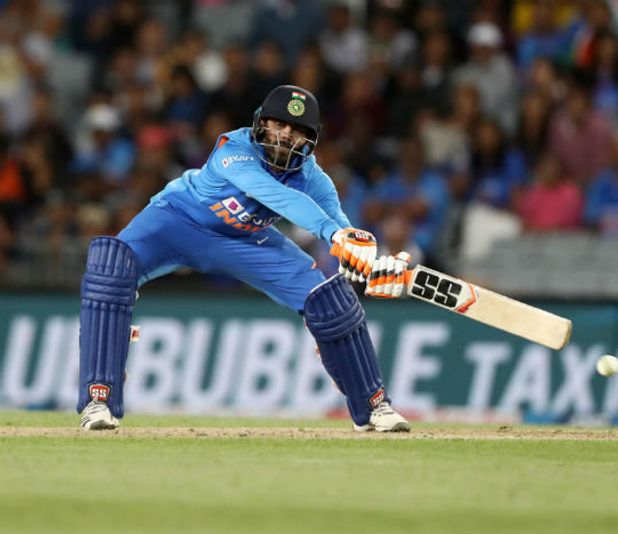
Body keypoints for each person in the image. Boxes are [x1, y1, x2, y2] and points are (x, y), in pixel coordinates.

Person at [77, 85, 412, 432]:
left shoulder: (314, 178)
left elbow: (344, 232)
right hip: (176, 219)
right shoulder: (232, 149)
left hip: (243, 239)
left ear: (309, 141)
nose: (285, 135)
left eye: (297, 130)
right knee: (110, 267)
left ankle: (374, 406)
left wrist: (369, 259)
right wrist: (334, 233)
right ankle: (97, 400)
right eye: (278, 124)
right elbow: (278, 197)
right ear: (260, 123)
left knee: (331, 298)